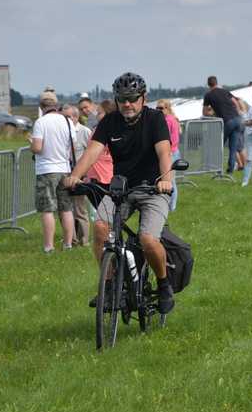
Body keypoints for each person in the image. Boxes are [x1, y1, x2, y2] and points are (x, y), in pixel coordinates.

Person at [64, 72, 176, 314]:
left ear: (143, 98)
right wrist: (75, 176)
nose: (127, 104)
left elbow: (164, 153)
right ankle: (110, 286)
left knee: (147, 239)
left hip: (153, 188)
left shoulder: (155, 119)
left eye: (133, 98)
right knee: (101, 228)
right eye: (122, 99)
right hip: (122, 188)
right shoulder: (110, 122)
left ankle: (164, 284)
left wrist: (166, 180)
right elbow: (92, 152)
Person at [30, 90, 75, 253]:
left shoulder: (41, 122)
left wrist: (30, 144)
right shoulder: (67, 121)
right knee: (66, 208)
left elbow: (37, 147)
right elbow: (72, 146)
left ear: (42, 106)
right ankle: (68, 244)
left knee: (47, 209)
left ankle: (49, 246)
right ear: (56, 105)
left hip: (47, 169)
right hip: (65, 169)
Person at [62, 104, 92, 246]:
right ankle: (71, 240)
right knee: (66, 208)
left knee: (80, 209)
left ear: (76, 117)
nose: (65, 119)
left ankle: (84, 240)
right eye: (63, 117)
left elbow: (92, 153)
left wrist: (86, 174)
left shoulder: (85, 132)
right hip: (65, 174)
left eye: (67, 117)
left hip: (80, 175)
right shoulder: (62, 132)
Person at [202, 76, 243, 174]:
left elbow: (204, 112)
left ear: (208, 84)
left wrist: (212, 112)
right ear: (217, 82)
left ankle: (218, 170)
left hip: (227, 121)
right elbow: (235, 102)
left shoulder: (208, 95)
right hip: (237, 119)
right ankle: (231, 170)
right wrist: (237, 113)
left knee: (218, 146)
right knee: (233, 147)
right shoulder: (225, 91)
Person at [156, 99, 181, 210]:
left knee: (170, 180)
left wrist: (167, 151)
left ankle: (172, 206)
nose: (159, 110)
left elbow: (174, 139)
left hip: (171, 153)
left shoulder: (169, 120)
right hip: (169, 152)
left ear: (167, 108)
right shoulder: (166, 119)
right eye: (157, 108)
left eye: (161, 108)